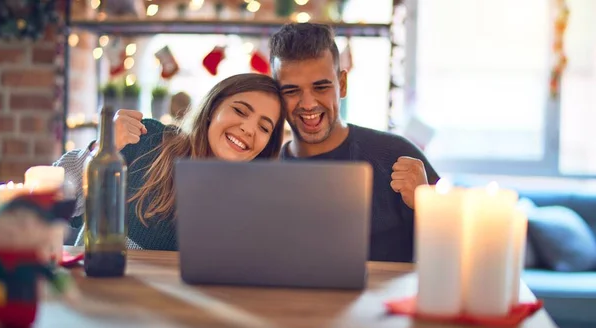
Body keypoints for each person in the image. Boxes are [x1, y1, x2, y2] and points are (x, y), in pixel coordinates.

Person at [269, 23, 440, 263]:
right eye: (291, 91)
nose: (307, 104)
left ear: (343, 84)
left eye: (321, 87)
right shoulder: (265, 171)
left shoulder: (397, 155)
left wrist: (427, 205)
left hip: (382, 301)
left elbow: (456, 256)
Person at [55, 73, 286, 250]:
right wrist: (102, 148)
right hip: (96, 296)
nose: (248, 129)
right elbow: (56, 201)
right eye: (240, 111)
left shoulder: (254, 203)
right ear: (212, 108)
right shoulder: (147, 140)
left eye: (264, 127)